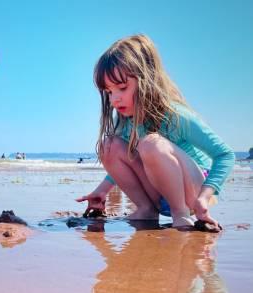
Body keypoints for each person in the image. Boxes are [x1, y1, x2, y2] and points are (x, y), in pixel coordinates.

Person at [76, 34, 235, 229]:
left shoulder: (175, 115)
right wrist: (102, 191)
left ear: (146, 80)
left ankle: (180, 214)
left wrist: (204, 197)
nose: (114, 99)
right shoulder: (125, 120)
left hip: (192, 192)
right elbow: (125, 161)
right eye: (109, 92)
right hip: (158, 194)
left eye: (122, 88)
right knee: (109, 145)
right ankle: (146, 209)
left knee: (151, 143)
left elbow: (225, 155)